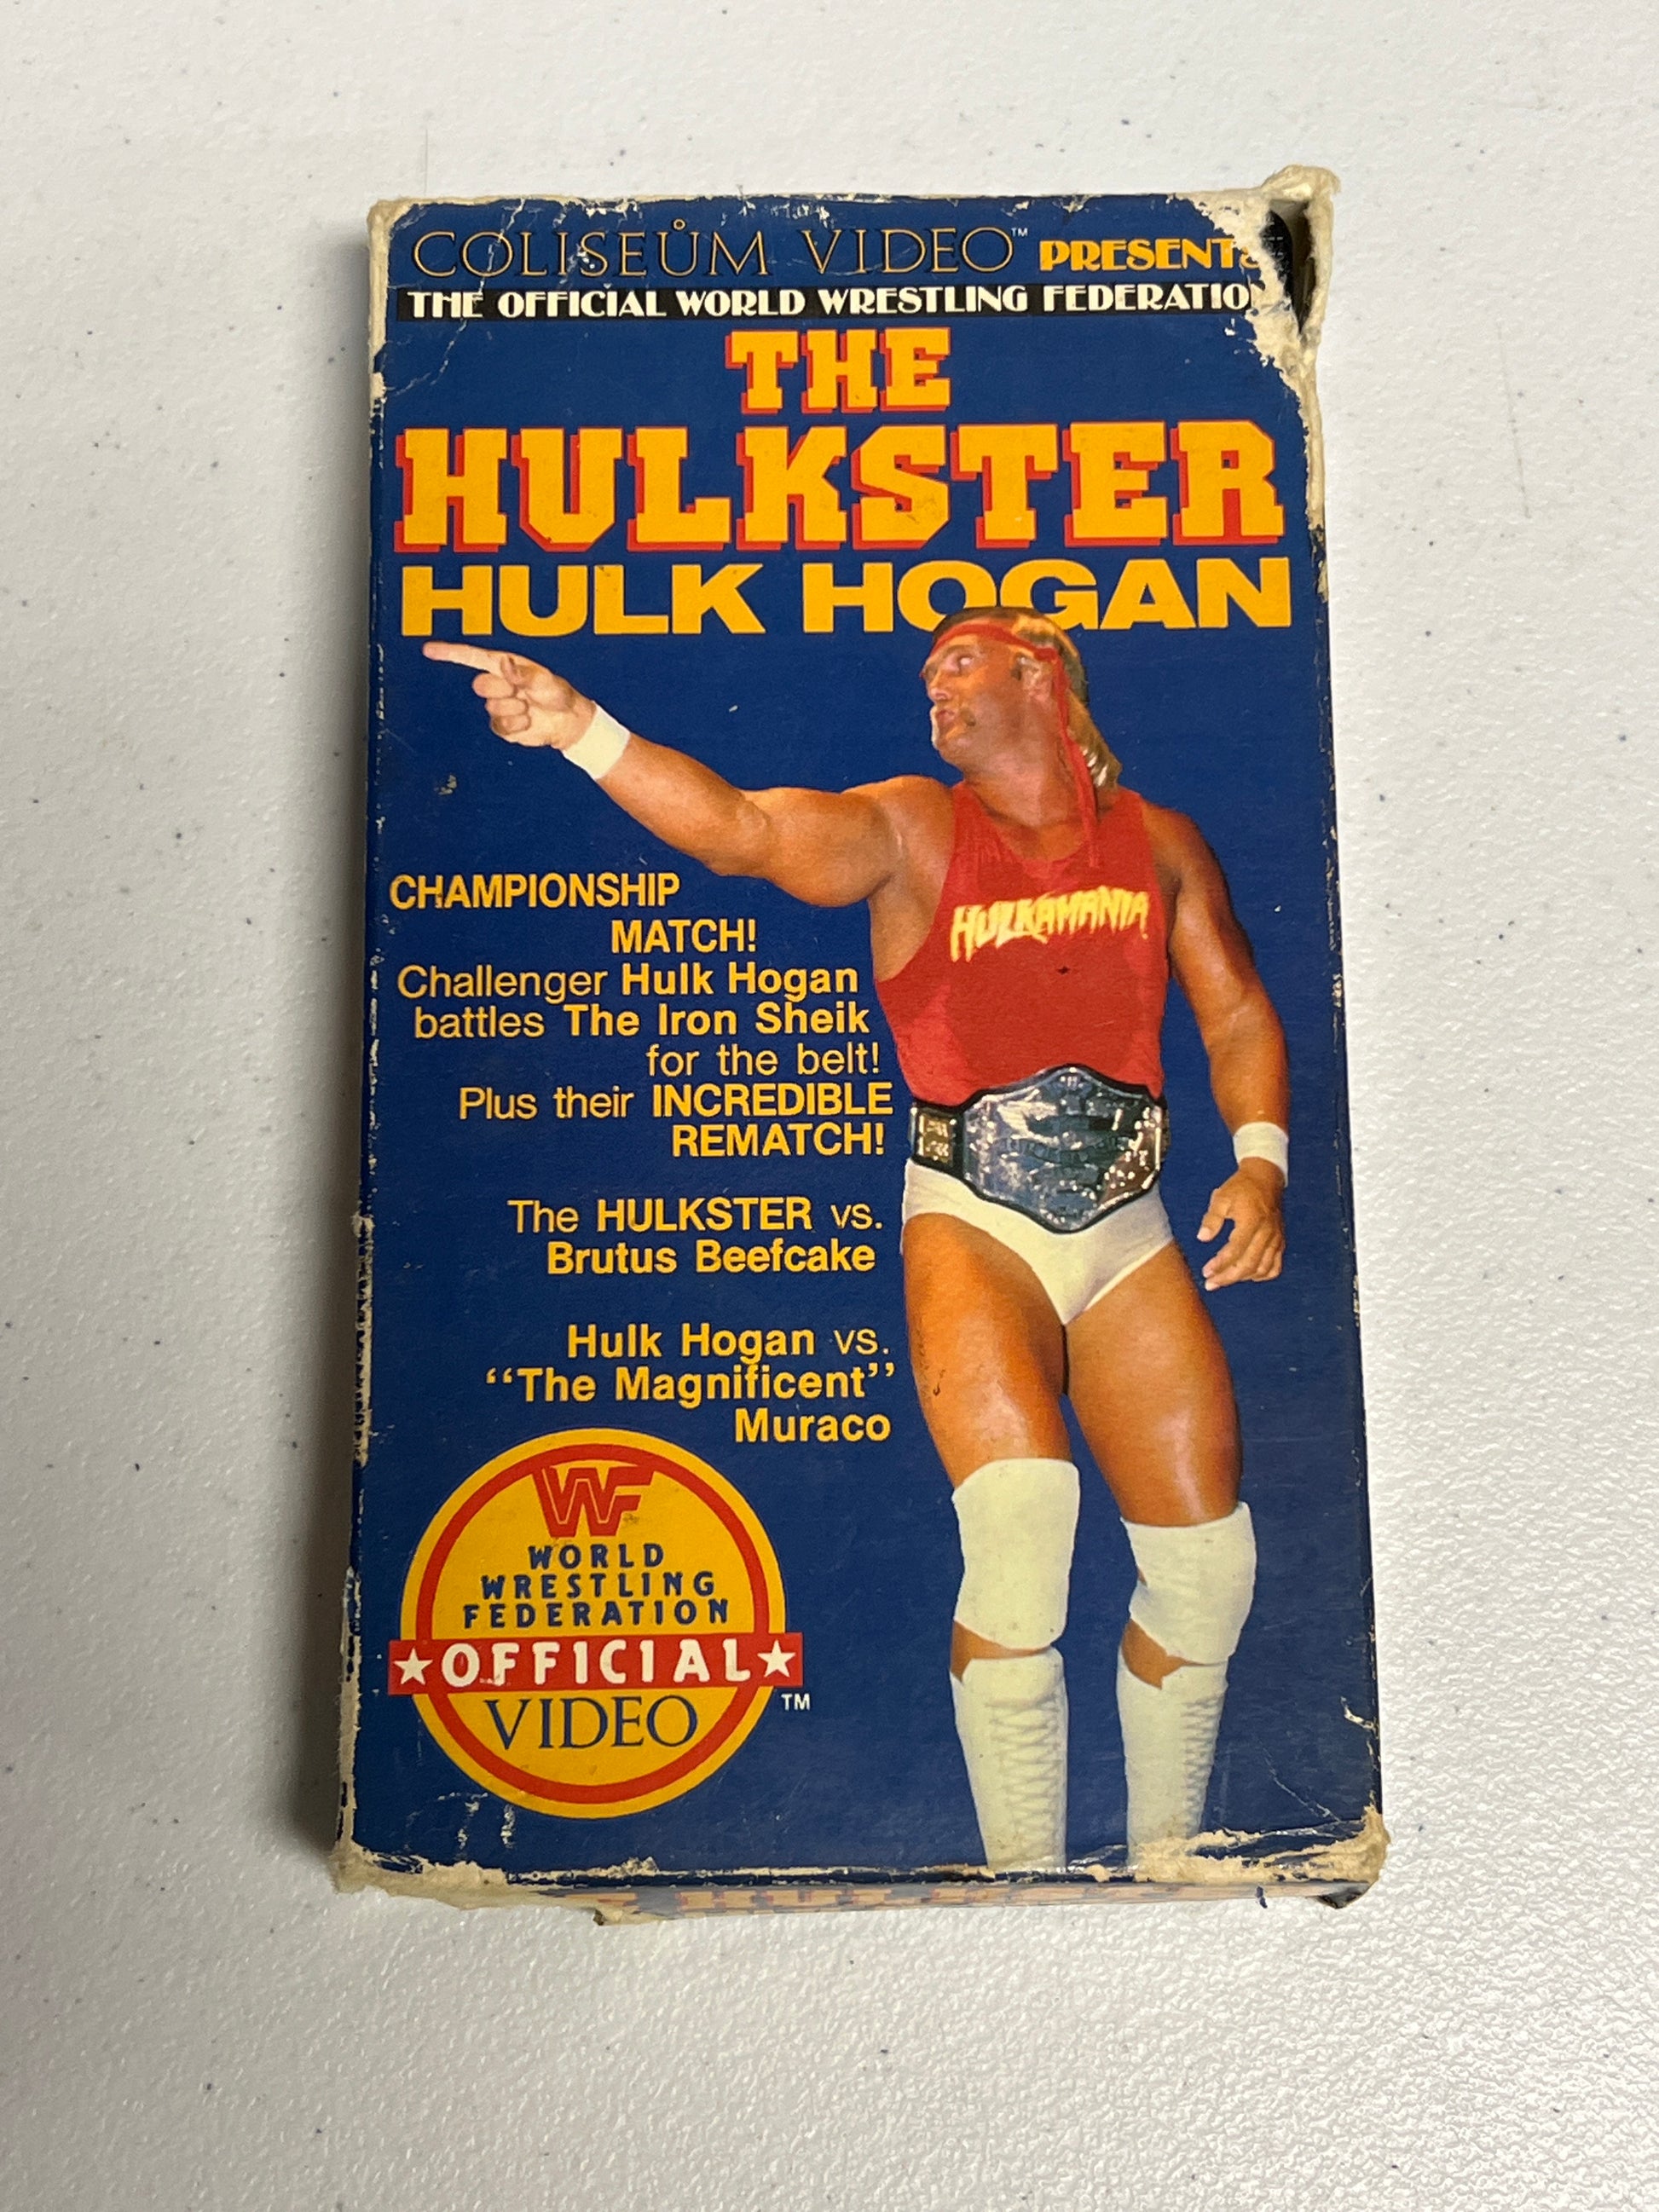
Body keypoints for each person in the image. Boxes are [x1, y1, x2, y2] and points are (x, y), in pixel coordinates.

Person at [426, 607, 1289, 1873]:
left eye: (958, 662)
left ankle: (1167, 1867)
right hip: (974, 1220)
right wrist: (581, 730)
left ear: (1038, 670)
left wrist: (1261, 1164)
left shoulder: (1158, 842)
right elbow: (744, 831)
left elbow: (1235, 1011)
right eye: (927, 673)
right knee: (1020, 1535)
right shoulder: (911, 825)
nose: (933, 687)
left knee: (1209, 1576)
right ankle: (1024, 1879)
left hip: (1128, 1224)